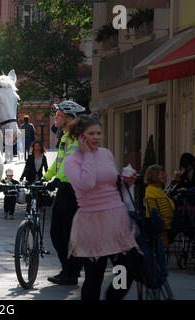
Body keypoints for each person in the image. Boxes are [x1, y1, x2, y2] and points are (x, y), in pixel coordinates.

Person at [63, 114, 140, 300]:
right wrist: (87, 154)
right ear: (81, 136)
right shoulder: (72, 161)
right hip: (92, 223)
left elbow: (110, 184)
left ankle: (112, 297)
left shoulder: (106, 154)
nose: (97, 137)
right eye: (91, 133)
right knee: (94, 277)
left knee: (125, 270)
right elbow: (87, 185)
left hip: (116, 220)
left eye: (98, 133)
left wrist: (125, 183)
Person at [43, 101, 85, 285]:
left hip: (72, 189)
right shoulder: (66, 136)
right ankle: (68, 270)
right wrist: (45, 177)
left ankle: (71, 272)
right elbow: (58, 162)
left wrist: (58, 180)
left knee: (67, 233)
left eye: (59, 115)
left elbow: (70, 162)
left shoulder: (77, 137)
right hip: (64, 187)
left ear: (69, 118)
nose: (55, 118)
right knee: (57, 233)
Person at [144, 164, 175, 247]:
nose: (166, 175)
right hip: (164, 227)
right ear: (154, 176)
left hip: (165, 224)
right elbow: (156, 214)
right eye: (162, 174)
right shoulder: (152, 192)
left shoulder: (157, 190)